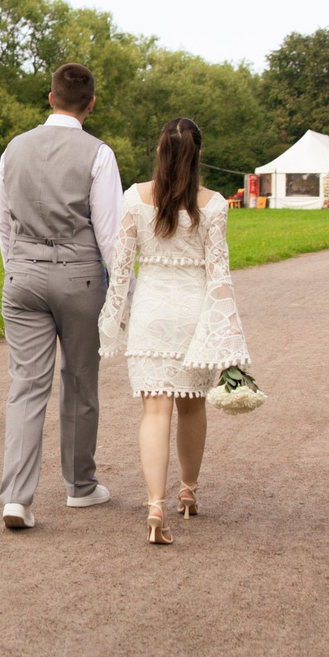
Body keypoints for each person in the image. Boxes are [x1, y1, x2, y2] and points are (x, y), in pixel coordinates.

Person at [99, 117, 249, 545]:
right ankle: (187, 490)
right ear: (198, 154)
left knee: (154, 411)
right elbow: (220, 275)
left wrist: (115, 320)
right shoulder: (215, 204)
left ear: (161, 152)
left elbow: (121, 268)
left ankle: (154, 504)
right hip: (194, 315)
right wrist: (228, 333)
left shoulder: (135, 199)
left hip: (151, 314)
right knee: (192, 406)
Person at [0, 63, 122, 530]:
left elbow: (4, 223)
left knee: (26, 385)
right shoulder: (99, 154)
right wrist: (122, 291)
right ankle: (79, 486)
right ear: (90, 103)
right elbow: (110, 234)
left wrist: (18, 269)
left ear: (49, 98)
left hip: (22, 275)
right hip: (80, 279)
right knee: (80, 381)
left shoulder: (13, 150)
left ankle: (16, 497)